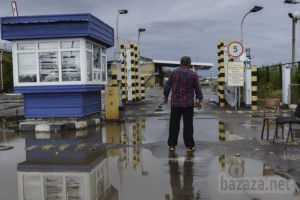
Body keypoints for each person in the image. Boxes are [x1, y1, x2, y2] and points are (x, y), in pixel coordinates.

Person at [163, 56, 203, 152]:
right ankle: (189, 146)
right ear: (189, 63)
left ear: (180, 63)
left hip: (175, 104)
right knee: (188, 125)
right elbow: (197, 88)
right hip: (188, 104)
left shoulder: (174, 73)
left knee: (174, 125)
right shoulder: (193, 74)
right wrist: (199, 100)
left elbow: (167, 85)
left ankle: (172, 145)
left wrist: (165, 96)